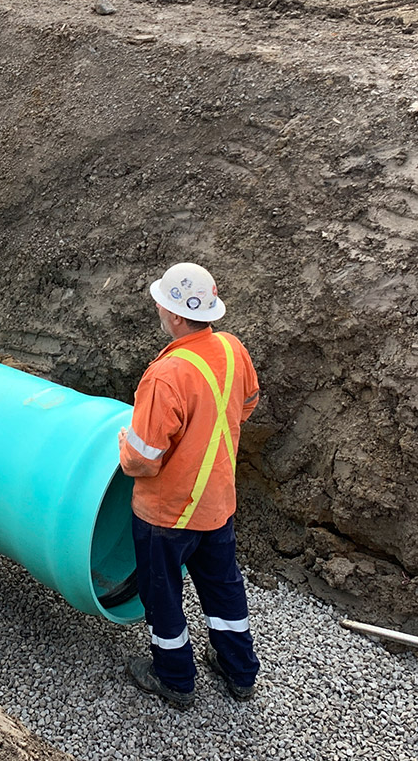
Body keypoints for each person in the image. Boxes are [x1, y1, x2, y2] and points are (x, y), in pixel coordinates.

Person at [118, 261, 261, 710]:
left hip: (168, 514)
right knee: (222, 586)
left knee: (161, 595)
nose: (159, 310)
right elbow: (247, 404)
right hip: (217, 503)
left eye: (162, 304)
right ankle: (239, 672)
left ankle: (175, 679)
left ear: (176, 316)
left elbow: (141, 460)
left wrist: (123, 443)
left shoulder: (167, 374)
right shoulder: (234, 350)